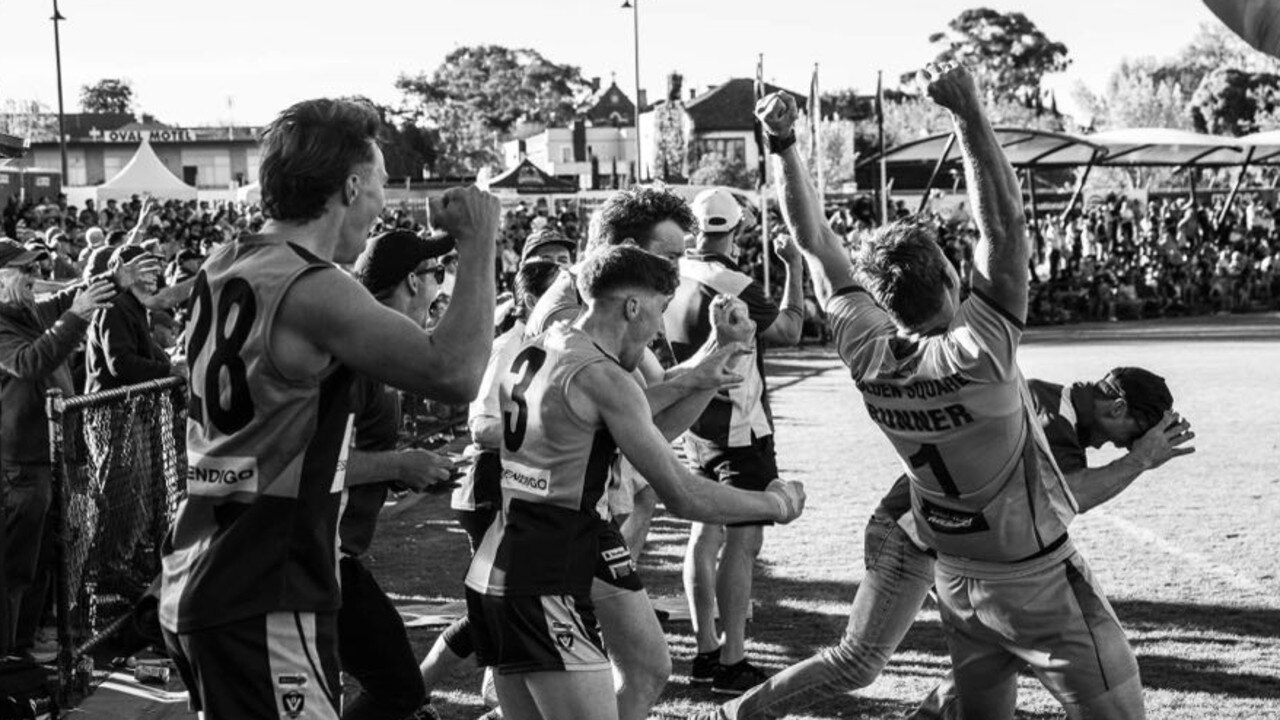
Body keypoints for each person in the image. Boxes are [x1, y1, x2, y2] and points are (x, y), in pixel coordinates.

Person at [759, 63, 1148, 719]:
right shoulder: (981, 349)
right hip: (1033, 574)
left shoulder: (865, 350)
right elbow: (1003, 227)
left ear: (880, 301)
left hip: (959, 577)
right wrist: (969, 115)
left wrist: (783, 145)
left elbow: (813, 240)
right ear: (948, 276)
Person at [159, 97, 499, 720]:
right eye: (378, 189)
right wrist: (479, 244)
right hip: (265, 583)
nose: (379, 210)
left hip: (208, 566)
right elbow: (457, 374)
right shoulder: (315, 285)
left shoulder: (226, 261)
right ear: (348, 187)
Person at [704, 367, 1194, 720]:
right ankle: (734, 717)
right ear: (1117, 408)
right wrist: (1139, 462)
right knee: (858, 661)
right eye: (1126, 437)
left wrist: (1138, 455)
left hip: (954, 550)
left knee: (1001, 647)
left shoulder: (1053, 404)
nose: (1116, 448)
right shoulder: (1054, 424)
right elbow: (1064, 501)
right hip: (912, 538)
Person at [465, 245, 806, 720]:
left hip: (508, 554)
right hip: (545, 570)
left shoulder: (550, 341)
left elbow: (639, 430)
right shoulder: (603, 377)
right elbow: (682, 494)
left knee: (647, 666)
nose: (658, 329)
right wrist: (775, 504)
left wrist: (703, 376)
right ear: (632, 306)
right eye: (660, 311)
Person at [524, 186, 760, 720]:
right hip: (551, 527)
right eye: (672, 255)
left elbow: (656, 409)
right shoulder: (576, 312)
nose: (680, 270)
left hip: (577, 522)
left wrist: (717, 356)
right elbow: (643, 415)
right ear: (631, 252)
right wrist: (775, 505)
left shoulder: (606, 305)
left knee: (644, 668)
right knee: (598, 678)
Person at [665, 188, 805, 695]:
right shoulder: (735, 281)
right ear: (738, 228)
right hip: (739, 425)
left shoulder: (674, 272)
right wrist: (794, 267)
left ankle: (706, 651)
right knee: (743, 543)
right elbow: (791, 330)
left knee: (704, 538)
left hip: (695, 418)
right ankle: (731, 659)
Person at [418, 259, 564, 711]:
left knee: (500, 613)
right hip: (489, 491)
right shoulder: (509, 346)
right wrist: (555, 434)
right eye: (562, 297)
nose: (571, 307)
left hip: (517, 491)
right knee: (496, 614)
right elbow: (481, 426)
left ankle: (479, 693)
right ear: (530, 301)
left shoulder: (554, 343)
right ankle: (411, 692)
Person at [0, 238, 153, 662]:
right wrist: (76, 317)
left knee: (46, 559)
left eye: (33, 269)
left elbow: (71, 296)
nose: (33, 278)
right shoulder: (4, 324)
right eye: (23, 271)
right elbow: (30, 362)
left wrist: (116, 280)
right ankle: (9, 654)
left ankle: (25, 647)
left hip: (48, 460)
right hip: (20, 465)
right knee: (16, 566)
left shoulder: (25, 311)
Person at [338, 229, 459, 720]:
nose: (441, 286)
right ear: (412, 281)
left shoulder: (379, 344)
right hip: (312, 554)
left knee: (392, 687)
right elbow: (309, 460)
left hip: (332, 554)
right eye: (437, 274)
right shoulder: (360, 352)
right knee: (398, 690)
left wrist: (406, 469)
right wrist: (400, 464)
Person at [84, 245, 185, 393]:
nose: (156, 272)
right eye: (147, 267)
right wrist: (169, 370)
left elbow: (144, 352)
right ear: (126, 272)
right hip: (111, 409)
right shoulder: (116, 305)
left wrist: (173, 362)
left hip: (124, 406)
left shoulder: (134, 304)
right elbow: (121, 363)